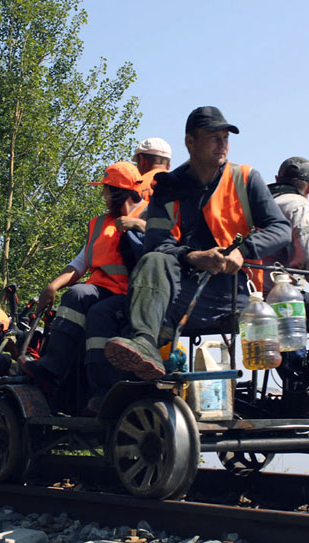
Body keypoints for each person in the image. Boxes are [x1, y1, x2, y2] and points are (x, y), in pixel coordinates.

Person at [105, 106, 292, 380]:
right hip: (184, 286)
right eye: (213, 137)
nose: (222, 144)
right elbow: (156, 245)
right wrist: (194, 257)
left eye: (225, 137)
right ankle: (120, 382)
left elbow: (281, 229)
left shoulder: (246, 178)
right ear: (190, 142)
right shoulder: (168, 187)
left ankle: (151, 358)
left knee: (132, 307)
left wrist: (242, 252)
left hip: (235, 292)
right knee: (108, 309)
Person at [21, 162, 146, 407]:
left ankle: (102, 392)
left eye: (106, 190)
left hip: (135, 294)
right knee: (76, 294)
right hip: (102, 290)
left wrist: (139, 226)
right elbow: (80, 262)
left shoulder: (150, 215)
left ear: (119, 190)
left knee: (100, 314)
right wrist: (52, 286)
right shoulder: (100, 223)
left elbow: (173, 241)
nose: (103, 195)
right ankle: (50, 369)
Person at [263, 157, 309, 291]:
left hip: (244, 289)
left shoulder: (257, 202)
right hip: (278, 294)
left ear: (276, 179)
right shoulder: (298, 205)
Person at [133, 137, 172, 205]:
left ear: (142, 160)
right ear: (169, 164)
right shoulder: (182, 184)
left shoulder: (136, 187)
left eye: (137, 163)